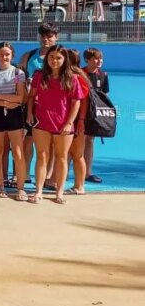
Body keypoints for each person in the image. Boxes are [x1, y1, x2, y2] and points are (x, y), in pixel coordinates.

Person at [26, 45, 84, 204]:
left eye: (58, 57)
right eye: (51, 57)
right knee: (42, 156)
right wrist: (30, 113)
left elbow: (76, 102)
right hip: (41, 122)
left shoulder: (72, 78)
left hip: (63, 125)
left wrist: (69, 122)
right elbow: (31, 96)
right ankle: (38, 191)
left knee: (61, 157)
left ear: (65, 59)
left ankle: (59, 193)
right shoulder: (39, 75)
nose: (54, 60)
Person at [0, 42, 27, 200]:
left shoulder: (18, 73)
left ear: (12, 56)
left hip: (14, 115)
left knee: (17, 152)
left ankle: (21, 188)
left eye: (7, 54)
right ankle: (0, 186)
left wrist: (0, 97)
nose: (4, 57)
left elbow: (20, 98)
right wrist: (5, 102)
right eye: (1, 54)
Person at [18, 22, 60, 174]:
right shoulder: (28, 56)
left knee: (52, 144)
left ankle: (48, 176)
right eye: (43, 36)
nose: (46, 40)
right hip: (31, 104)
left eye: (49, 36)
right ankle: (24, 173)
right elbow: (18, 77)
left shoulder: (61, 57)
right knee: (27, 140)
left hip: (54, 107)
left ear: (56, 37)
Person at [65, 49, 90, 196]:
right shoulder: (75, 75)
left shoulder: (77, 77)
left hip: (76, 121)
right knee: (70, 153)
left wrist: (80, 120)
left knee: (77, 154)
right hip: (70, 120)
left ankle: (79, 185)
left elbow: (83, 101)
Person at [82, 47, 108, 184]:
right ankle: (65, 172)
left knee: (90, 141)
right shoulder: (80, 73)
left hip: (94, 115)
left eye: (101, 58)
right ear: (87, 60)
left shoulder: (103, 75)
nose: (99, 61)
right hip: (80, 113)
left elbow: (105, 96)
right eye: (96, 58)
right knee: (77, 142)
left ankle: (87, 173)